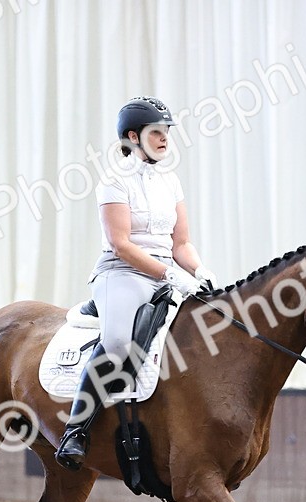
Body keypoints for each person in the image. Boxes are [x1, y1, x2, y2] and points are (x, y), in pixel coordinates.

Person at [54, 96, 217, 470]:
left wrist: (200, 270)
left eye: (166, 133)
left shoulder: (171, 181)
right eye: (156, 133)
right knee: (116, 342)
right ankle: (76, 431)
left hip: (167, 273)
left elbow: (181, 243)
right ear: (133, 137)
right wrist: (171, 275)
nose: (164, 139)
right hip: (122, 274)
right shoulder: (114, 181)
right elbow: (121, 244)